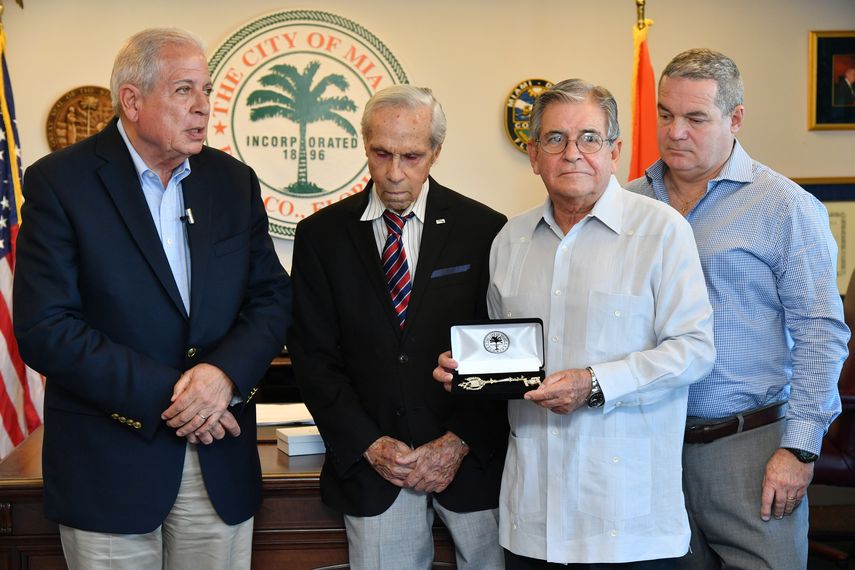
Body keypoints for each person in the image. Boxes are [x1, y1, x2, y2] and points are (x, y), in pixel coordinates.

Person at [13, 28, 292, 569]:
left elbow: (272, 298)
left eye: (206, 90)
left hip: (218, 460)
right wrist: (183, 398)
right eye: (184, 90)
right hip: (109, 466)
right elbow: (47, 327)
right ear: (132, 100)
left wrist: (223, 376)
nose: (203, 107)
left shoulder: (232, 182)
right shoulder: (61, 183)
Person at [436, 79, 716, 568]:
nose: (572, 153)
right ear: (533, 155)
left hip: (627, 524)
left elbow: (694, 350)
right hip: (532, 520)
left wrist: (595, 383)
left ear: (615, 151)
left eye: (589, 138)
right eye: (555, 139)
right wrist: (466, 370)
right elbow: (505, 355)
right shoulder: (510, 240)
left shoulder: (662, 231)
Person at [626, 48, 849, 570]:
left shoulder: (784, 206)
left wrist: (800, 450)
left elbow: (821, 332)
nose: (675, 132)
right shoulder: (629, 204)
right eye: (665, 114)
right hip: (648, 445)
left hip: (749, 446)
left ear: (736, 118)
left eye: (696, 118)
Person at [288, 85, 508, 569]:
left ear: (436, 152)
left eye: (411, 156)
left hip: (473, 466)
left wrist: (458, 441)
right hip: (376, 471)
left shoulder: (485, 230)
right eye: (381, 153)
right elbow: (312, 358)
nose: (393, 173)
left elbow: (501, 351)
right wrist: (370, 445)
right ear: (364, 144)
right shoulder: (321, 236)